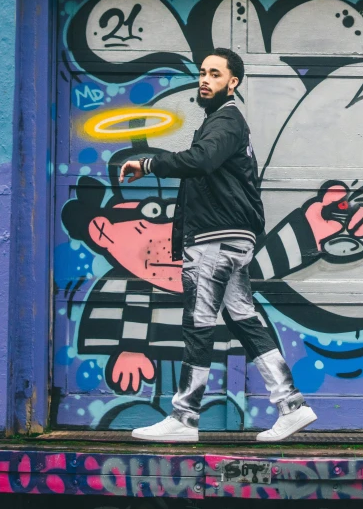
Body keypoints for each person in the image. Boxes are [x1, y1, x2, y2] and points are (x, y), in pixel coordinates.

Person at [119, 48, 317, 442]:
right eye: (202, 73)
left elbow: (201, 160)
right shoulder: (221, 122)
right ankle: (292, 406)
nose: (204, 79)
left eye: (215, 73)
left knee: (198, 323)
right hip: (230, 238)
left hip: (216, 239)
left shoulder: (226, 121)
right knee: (245, 321)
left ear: (233, 82)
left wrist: (149, 163)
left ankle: (184, 416)